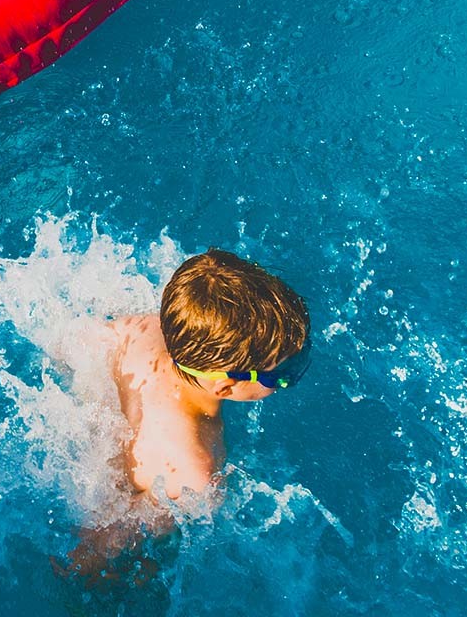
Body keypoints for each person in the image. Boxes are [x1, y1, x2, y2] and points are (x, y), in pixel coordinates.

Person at [64, 248, 311, 580]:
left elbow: (73, 344)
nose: (286, 380)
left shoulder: (149, 329)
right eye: (282, 375)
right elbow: (111, 542)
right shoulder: (194, 470)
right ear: (224, 388)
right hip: (124, 502)